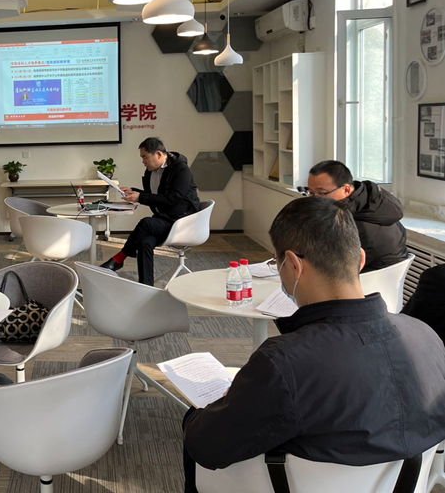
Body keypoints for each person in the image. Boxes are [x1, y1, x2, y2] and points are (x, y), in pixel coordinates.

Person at [182, 198, 445, 492]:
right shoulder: (426, 336)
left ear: (293, 265)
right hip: (405, 484)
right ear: (360, 259)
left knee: (197, 418)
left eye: (277, 264)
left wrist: (226, 402)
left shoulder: (283, 361)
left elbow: (204, 447)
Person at [101, 137, 199, 286]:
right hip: (164, 219)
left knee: (146, 223)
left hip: (182, 221)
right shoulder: (150, 172)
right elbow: (155, 196)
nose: (143, 162)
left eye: (145, 157)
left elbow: (173, 199)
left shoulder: (180, 169)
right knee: (144, 242)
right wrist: (135, 192)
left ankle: (119, 258)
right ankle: (146, 286)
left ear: (158, 154)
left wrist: (140, 197)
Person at [306, 160, 408, 272]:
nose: (314, 200)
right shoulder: (369, 200)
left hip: (370, 277)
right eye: (311, 193)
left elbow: (332, 266)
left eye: (321, 193)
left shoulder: (357, 225)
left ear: (346, 189)